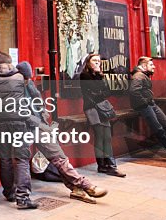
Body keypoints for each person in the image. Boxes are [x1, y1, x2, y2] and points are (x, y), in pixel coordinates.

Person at [18, 61, 107, 204]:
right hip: (24, 128)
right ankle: (83, 186)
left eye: (29, 77)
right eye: (25, 77)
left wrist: (43, 112)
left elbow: (37, 102)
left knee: (59, 158)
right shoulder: (13, 89)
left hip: (39, 127)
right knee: (21, 161)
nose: (28, 80)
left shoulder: (30, 85)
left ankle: (80, 187)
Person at [0, 53, 37, 209]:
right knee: (21, 159)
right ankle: (23, 198)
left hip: (0, 123)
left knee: (5, 158)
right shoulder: (19, 77)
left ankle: (9, 192)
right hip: (20, 121)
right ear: (10, 63)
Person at [80, 53, 125, 177]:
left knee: (107, 136)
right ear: (88, 62)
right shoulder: (85, 76)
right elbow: (97, 92)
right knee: (100, 136)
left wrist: (100, 76)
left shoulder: (98, 76)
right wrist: (100, 81)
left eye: (99, 61)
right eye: (94, 60)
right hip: (92, 108)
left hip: (101, 108)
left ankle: (108, 165)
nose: (97, 63)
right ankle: (106, 166)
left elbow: (106, 91)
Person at [129, 57, 166, 161]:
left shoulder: (143, 75)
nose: (154, 66)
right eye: (151, 65)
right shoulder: (138, 76)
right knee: (159, 129)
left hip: (151, 104)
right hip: (144, 106)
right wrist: (145, 103)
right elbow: (134, 91)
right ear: (144, 66)